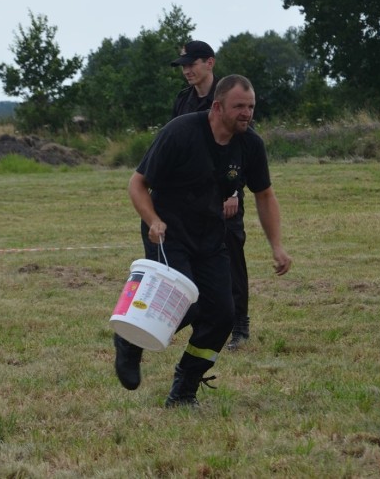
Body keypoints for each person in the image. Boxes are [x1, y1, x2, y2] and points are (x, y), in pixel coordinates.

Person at [115, 74, 292, 407]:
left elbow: (265, 195)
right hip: (168, 232)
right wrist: (153, 221)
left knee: (222, 316)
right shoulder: (180, 132)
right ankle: (129, 339)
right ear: (217, 106)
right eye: (239, 106)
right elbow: (137, 185)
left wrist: (277, 246)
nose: (247, 113)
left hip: (211, 237)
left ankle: (185, 388)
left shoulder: (250, 145)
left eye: (251, 107)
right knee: (188, 303)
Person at [170, 41, 250, 350]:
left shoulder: (231, 99)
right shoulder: (182, 102)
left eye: (193, 63)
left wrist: (233, 192)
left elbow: (242, 148)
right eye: (184, 65)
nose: (187, 70)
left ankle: (240, 326)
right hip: (192, 202)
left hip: (225, 196)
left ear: (210, 64)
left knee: (231, 261)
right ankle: (205, 318)